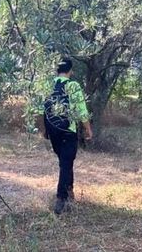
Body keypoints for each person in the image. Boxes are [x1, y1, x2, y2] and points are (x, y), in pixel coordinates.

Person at [43, 58, 93, 215]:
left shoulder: (47, 85)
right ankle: (60, 199)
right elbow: (82, 111)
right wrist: (88, 130)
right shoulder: (73, 85)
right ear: (70, 70)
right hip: (68, 130)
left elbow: (41, 109)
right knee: (66, 163)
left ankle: (70, 192)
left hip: (53, 131)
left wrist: (45, 129)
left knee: (65, 162)